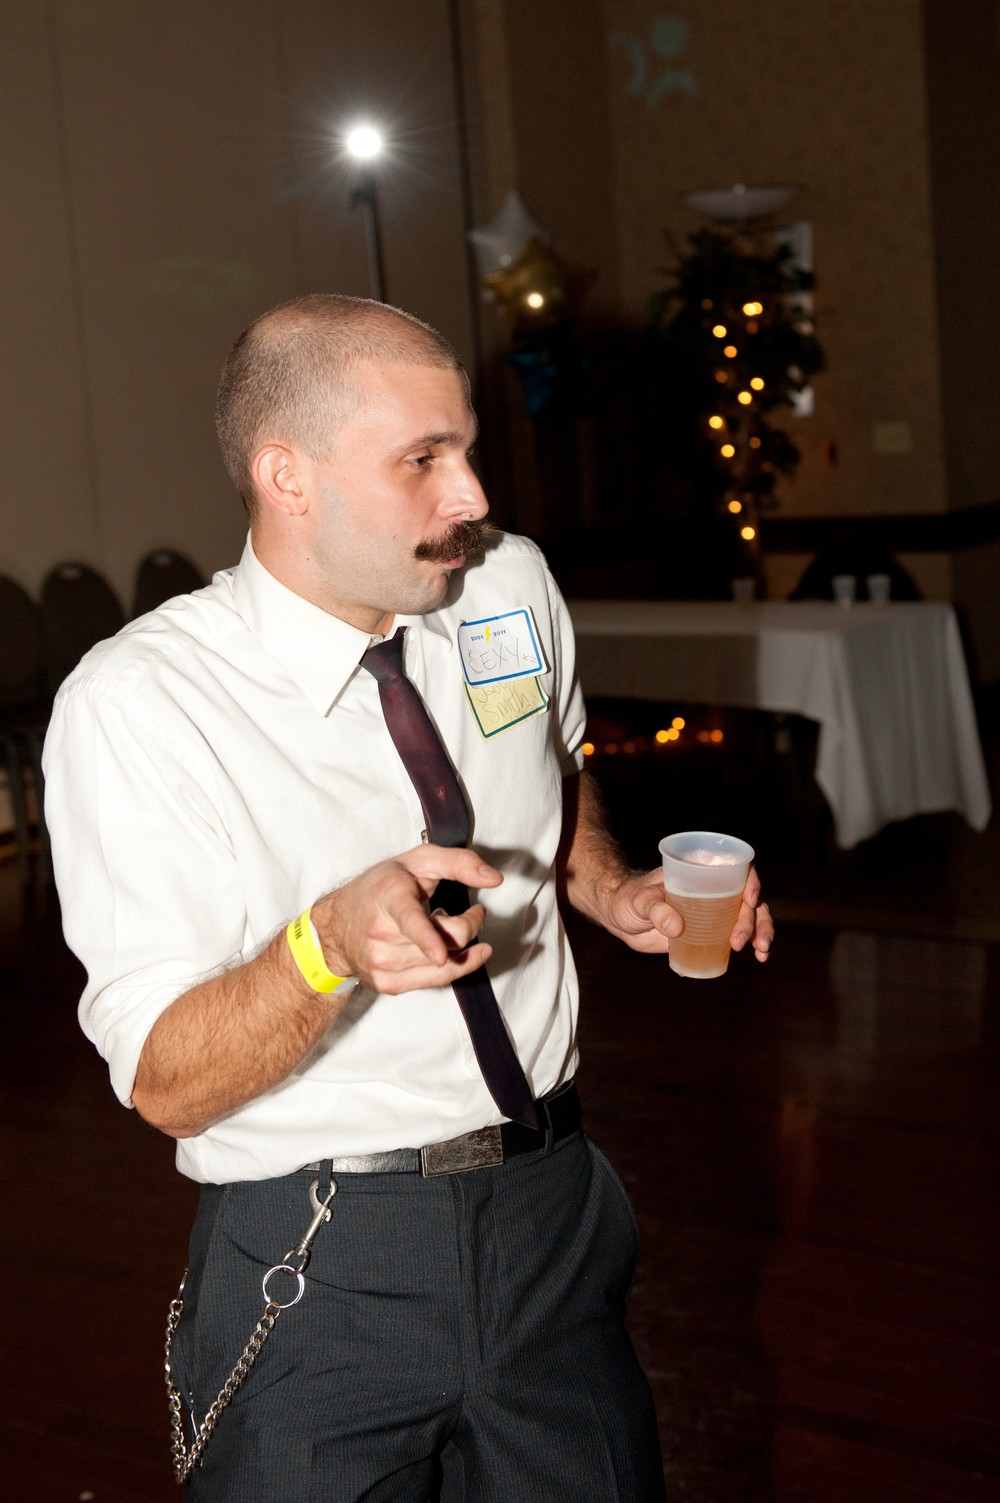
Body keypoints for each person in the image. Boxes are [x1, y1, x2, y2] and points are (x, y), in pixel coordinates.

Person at [43, 294, 773, 1502]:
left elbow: (553, 762)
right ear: (287, 476)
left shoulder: (507, 586)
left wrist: (607, 884)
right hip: (321, 1251)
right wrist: (325, 945)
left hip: (555, 1216)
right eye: (422, 460)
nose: (471, 494)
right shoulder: (141, 706)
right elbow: (166, 1082)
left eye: (466, 449)